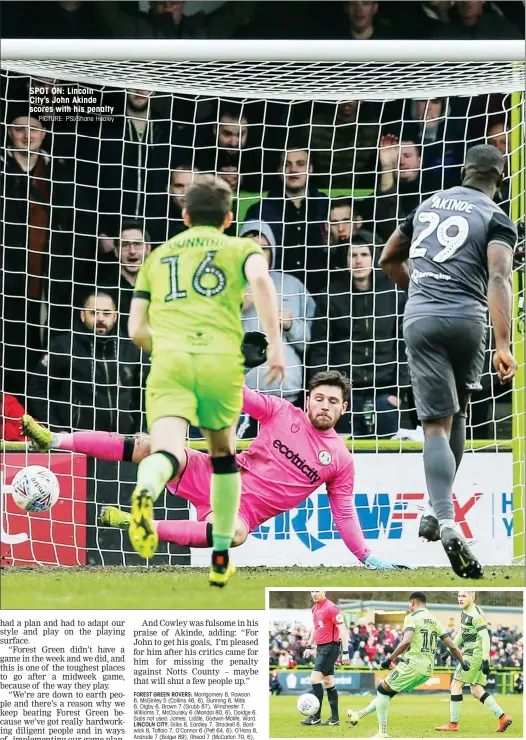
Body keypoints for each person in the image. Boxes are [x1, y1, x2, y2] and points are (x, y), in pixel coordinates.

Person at [20, 370, 409, 570]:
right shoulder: (281, 412)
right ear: (308, 400)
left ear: (344, 409)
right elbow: (238, 395)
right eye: (318, 398)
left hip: (238, 513)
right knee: (151, 445)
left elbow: (343, 512)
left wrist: (366, 555)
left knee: (233, 536)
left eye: (332, 402)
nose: (324, 405)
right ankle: (54, 441)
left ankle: (137, 524)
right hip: (215, 473)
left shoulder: (339, 459)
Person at [127, 174, 285, 586]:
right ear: (229, 218)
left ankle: (145, 495)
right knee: (223, 458)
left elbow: (135, 329)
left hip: (171, 361)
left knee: (165, 451)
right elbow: (263, 282)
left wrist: (164, 348)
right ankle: (218, 555)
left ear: (184, 215)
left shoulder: (157, 256)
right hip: (219, 361)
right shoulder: (242, 248)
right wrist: (275, 343)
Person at [379, 144, 518, 579]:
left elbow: (388, 259)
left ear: (464, 171)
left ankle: (442, 517)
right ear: (502, 178)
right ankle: (437, 512)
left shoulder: (426, 206)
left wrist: (418, 292)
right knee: (456, 416)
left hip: (422, 317)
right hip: (469, 320)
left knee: (436, 425)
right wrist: (503, 343)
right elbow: (498, 276)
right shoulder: (497, 218)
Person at [309, 236, 407, 437]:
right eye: (352, 255)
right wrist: (324, 393)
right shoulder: (331, 295)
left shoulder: (394, 293)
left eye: (364, 254)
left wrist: (399, 393)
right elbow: (320, 348)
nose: (358, 260)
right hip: (344, 393)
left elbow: (405, 345)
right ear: (345, 259)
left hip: (386, 392)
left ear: (373, 258)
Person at [347, 591, 471, 739]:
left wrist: (390, 659)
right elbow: (451, 646)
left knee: (382, 690)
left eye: (409, 604)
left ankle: (383, 732)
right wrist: (463, 663)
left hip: (413, 664)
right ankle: (358, 715)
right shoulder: (435, 620)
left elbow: (406, 640)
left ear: (412, 603)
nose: (409, 606)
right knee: (387, 693)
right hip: (427, 670)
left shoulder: (411, 618)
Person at [27, 291, 144, 434]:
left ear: (115, 317)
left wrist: (141, 429)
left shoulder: (131, 348)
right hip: (78, 443)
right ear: (83, 316)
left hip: (124, 442)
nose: (100, 318)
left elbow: (145, 392)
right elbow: (38, 389)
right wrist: (56, 428)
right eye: (94, 313)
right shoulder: (63, 346)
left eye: (106, 313)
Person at [239, 220, 315, 411]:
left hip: (286, 394)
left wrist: (290, 325)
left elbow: (309, 343)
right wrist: (236, 306)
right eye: (251, 248)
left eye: (264, 248)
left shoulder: (293, 285)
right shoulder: (225, 286)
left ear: (273, 251)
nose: (258, 254)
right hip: (240, 395)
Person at [244, 144, 330, 296]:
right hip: (276, 294)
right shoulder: (259, 211)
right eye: (287, 164)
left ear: (311, 169)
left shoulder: (326, 206)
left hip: (323, 294)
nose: (293, 170)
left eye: (300, 164)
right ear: (279, 170)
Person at [435, 590, 512, 733]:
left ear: (473, 597)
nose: (460, 599)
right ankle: (503, 717)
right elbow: (461, 634)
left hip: (474, 656)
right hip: (472, 654)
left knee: (455, 685)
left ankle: (453, 724)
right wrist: (448, 650)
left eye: (463, 596)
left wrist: (485, 660)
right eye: (458, 596)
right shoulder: (465, 612)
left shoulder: (476, 615)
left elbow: (486, 638)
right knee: (477, 690)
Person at [300, 591, 350, 727]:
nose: (314, 594)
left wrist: (345, 652)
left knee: (314, 679)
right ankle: (335, 719)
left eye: (317, 591)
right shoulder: (315, 608)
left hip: (331, 647)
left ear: (324, 591)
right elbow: (315, 629)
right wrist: (309, 645)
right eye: (312, 591)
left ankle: (316, 717)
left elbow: (343, 631)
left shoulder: (331, 608)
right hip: (321, 648)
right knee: (328, 682)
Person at [100, 220, 152, 335]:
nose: (132, 251)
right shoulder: (104, 291)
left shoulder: (159, 288)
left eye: (138, 244)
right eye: (125, 245)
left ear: (148, 249)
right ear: (116, 252)